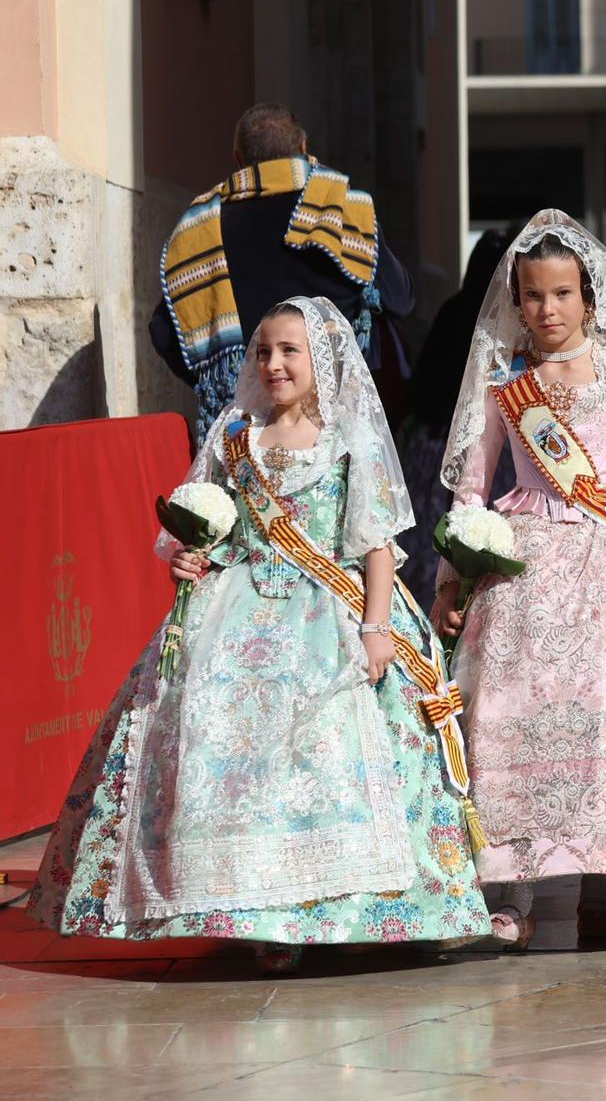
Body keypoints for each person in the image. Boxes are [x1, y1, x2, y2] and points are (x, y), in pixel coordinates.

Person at [31, 298, 489, 973]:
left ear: (321, 360)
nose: (273, 364)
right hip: (238, 610)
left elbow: (377, 546)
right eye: (263, 352)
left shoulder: (346, 437)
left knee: (336, 747)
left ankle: (375, 909)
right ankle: (257, 919)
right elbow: (213, 530)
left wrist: (376, 627)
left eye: (289, 351)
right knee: (220, 743)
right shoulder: (235, 434)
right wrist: (194, 557)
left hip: (333, 616)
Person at [432, 210, 606, 950]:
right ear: (515, 300)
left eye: (561, 294)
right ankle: (508, 889)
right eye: (533, 296)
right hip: (522, 566)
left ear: (589, 296)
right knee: (508, 718)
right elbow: (473, 486)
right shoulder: (503, 379)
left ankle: (597, 887)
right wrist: (452, 572)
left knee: (601, 722)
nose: (547, 310)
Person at [152, 104, 415, 439]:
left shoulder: (201, 228)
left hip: (245, 430)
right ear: (304, 149)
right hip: (334, 423)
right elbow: (401, 300)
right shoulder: (342, 209)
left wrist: (239, 381)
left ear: (238, 160)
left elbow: (164, 331)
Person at [400, 228, 513, 609]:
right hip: (480, 440)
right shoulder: (503, 323)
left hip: (434, 440)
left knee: (435, 534)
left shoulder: (452, 310)